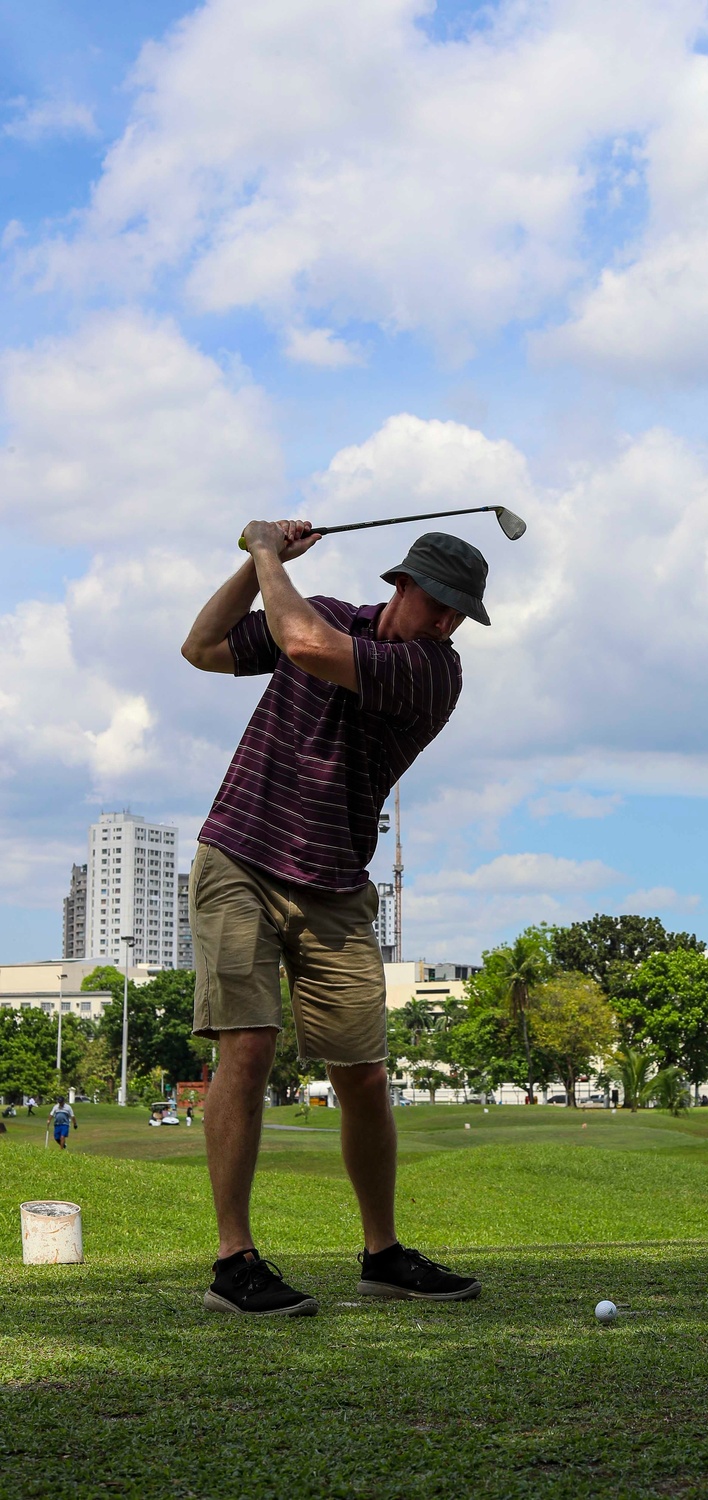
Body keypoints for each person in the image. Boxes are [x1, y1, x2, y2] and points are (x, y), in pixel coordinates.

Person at [182, 520, 488, 1317]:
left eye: (462, 613)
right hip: (240, 857)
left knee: (363, 1073)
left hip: (335, 884)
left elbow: (305, 645)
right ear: (403, 584)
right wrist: (257, 567)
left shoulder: (430, 671)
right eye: (440, 603)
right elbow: (203, 648)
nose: (449, 622)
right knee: (244, 1048)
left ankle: (382, 1255)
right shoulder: (317, 610)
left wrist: (264, 553)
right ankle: (233, 1260)